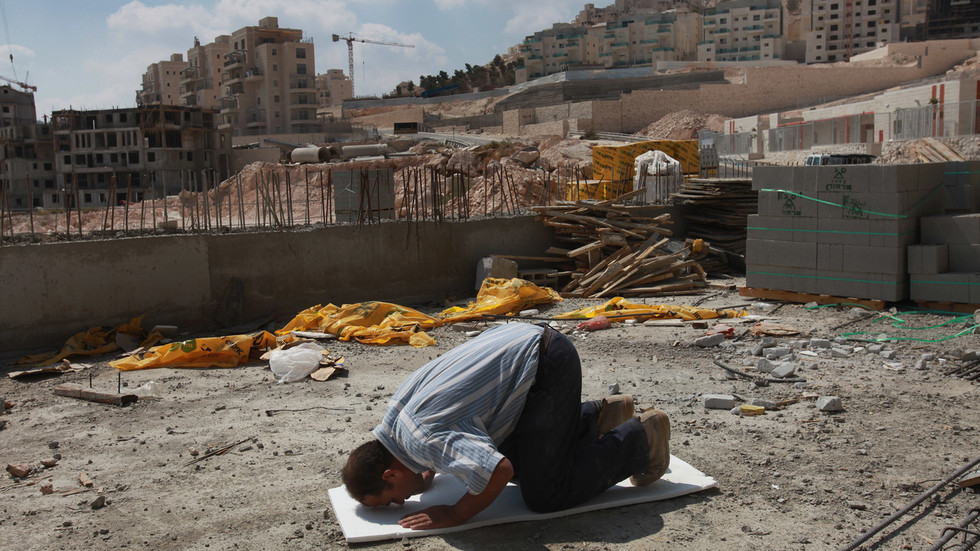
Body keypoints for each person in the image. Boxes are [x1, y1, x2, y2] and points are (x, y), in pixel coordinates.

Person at [342, 322, 670, 530]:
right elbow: (442, 435)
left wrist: (456, 515)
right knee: (525, 464)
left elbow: (498, 470)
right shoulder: (396, 422)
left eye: (389, 499)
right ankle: (597, 419)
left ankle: (642, 438)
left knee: (545, 493)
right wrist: (428, 471)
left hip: (545, 363)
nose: (399, 504)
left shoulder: (422, 440)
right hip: (523, 340)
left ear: (391, 475)